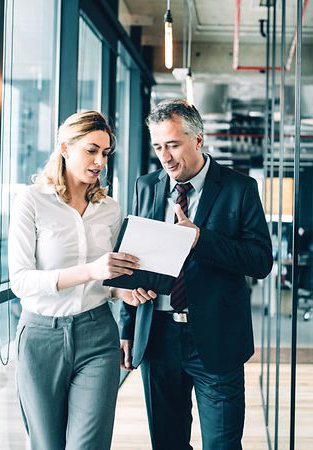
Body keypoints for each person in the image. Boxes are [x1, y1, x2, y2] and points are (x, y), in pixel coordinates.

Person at [119, 99, 273, 450]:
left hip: (216, 339)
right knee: (167, 442)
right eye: (158, 146)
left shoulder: (239, 188)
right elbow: (133, 260)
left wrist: (200, 240)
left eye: (173, 144)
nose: (166, 156)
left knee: (222, 443)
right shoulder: (147, 186)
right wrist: (127, 326)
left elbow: (260, 261)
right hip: (157, 337)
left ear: (198, 140)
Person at [8, 111, 152, 450]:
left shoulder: (110, 209)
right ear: (65, 148)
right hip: (40, 338)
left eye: (105, 153)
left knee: (88, 445)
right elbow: (21, 281)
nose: (100, 161)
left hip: (97, 335)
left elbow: (110, 276)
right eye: (91, 150)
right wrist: (92, 271)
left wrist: (122, 291)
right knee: (47, 444)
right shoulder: (31, 201)